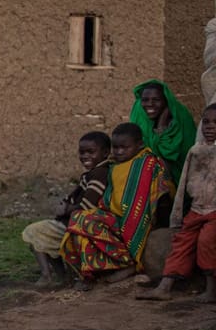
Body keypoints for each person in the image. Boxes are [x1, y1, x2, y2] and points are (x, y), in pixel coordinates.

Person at [60, 123, 174, 289]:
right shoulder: (112, 165)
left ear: (139, 144)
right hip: (114, 217)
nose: (119, 152)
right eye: (116, 148)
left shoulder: (148, 164)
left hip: (140, 222)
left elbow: (162, 195)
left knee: (83, 219)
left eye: (124, 147)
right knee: (79, 219)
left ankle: (127, 263)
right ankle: (93, 273)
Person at [139, 103, 216, 302]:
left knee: (206, 241)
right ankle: (165, 287)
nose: (210, 126)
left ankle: (211, 290)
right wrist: (178, 213)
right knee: (181, 242)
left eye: (215, 123)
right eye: (206, 122)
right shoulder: (195, 151)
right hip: (197, 209)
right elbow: (183, 183)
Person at [21, 132, 111, 287]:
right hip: (74, 222)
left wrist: (67, 209)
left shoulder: (99, 174)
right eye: (82, 152)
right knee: (44, 238)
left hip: (78, 224)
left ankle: (47, 275)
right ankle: (62, 278)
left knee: (34, 232)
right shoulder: (94, 173)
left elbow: (87, 205)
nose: (85, 156)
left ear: (105, 153)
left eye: (91, 152)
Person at [130, 79, 195, 185]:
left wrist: (161, 126)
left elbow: (169, 156)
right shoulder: (140, 116)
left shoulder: (179, 119)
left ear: (166, 101)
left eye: (156, 100)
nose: (150, 104)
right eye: (145, 100)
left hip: (178, 180)